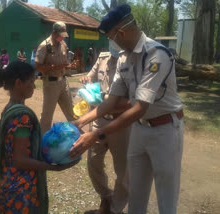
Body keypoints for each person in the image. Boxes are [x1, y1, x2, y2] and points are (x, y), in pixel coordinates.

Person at [69, 4, 184, 214]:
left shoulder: (157, 55)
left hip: (165, 129)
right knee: (136, 191)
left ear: (120, 32)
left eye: (112, 37)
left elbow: (140, 107)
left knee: (166, 193)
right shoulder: (124, 58)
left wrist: (96, 133)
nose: (112, 42)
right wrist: (80, 122)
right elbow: (111, 102)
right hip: (139, 130)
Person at [0, 61, 78, 214]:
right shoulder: (22, 116)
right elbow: (20, 159)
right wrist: (54, 167)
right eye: (31, 81)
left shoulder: (9, 108)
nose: (34, 87)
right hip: (21, 190)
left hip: (7, 182)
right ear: (18, 83)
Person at [80, 46, 130, 214]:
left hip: (121, 124)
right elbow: (92, 74)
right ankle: (106, 197)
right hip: (100, 121)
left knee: (123, 171)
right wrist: (87, 78)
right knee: (93, 162)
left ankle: (115, 209)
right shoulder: (103, 58)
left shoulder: (131, 62)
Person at [35, 21, 76, 134]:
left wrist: (69, 66)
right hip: (51, 84)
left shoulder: (63, 44)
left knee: (71, 112)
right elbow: (38, 67)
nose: (62, 38)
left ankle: (76, 137)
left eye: (63, 36)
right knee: (47, 117)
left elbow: (66, 61)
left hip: (63, 82)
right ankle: (42, 142)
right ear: (54, 32)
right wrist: (57, 66)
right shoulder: (45, 46)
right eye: (60, 35)